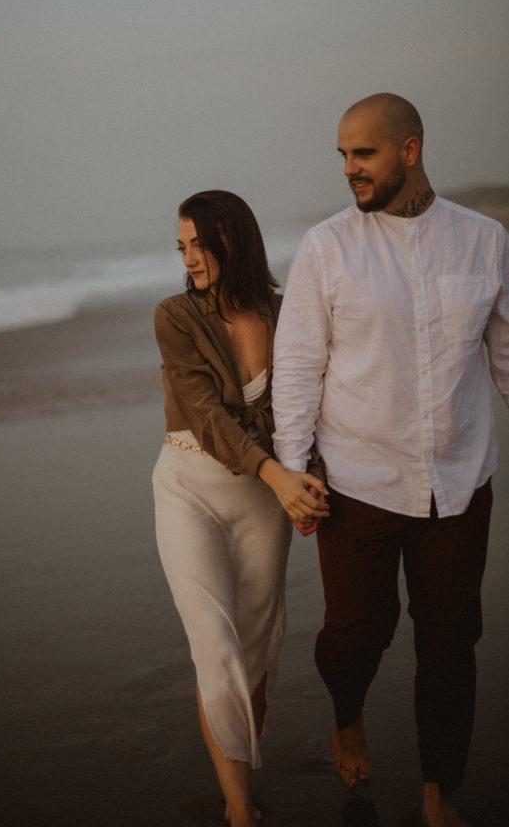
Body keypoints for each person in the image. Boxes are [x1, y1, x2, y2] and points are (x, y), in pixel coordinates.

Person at [271, 93, 509, 827]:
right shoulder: (327, 247)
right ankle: (347, 712)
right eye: (342, 155)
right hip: (356, 482)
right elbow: (298, 363)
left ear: (408, 150)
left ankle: (440, 794)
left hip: (459, 481)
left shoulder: (483, 240)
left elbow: (503, 352)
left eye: (363, 153)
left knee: (448, 641)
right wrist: (290, 472)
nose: (349, 169)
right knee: (355, 636)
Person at [152, 189, 328, 827]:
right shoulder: (174, 315)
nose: (190, 258)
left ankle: (240, 784)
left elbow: (309, 407)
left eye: (201, 244)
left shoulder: (287, 314)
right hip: (189, 486)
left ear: (236, 242)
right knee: (214, 643)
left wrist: (307, 482)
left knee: (256, 645)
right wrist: (278, 474)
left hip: (265, 495)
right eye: (183, 247)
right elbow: (204, 412)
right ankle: (238, 811)